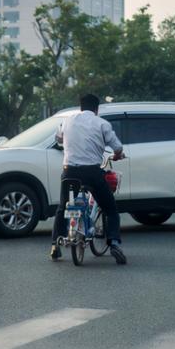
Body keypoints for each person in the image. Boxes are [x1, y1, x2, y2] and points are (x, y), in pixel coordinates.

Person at [50, 94, 127, 264]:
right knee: (110, 209)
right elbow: (117, 147)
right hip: (92, 173)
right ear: (96, 109)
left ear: (80, 107)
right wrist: (117, 155)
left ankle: (56, 245)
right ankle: (114, 243)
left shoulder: (68, 121)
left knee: (63, 207)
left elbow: (58, 138)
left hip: (69, 172)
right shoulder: (101, 124)